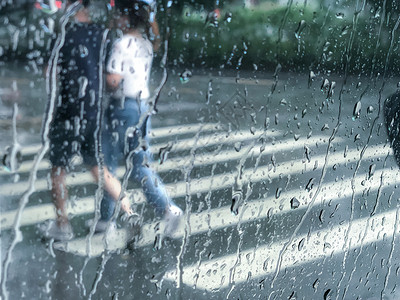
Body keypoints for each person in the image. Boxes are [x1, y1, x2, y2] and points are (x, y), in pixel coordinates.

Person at [43, 0, 132, 241]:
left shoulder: (63, 33)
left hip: (67, 109)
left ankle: (63, 225)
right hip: (93, 109)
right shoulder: (103, 34)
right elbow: (108, 73)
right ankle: (129, 212)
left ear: (72, 6)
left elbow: (48, 72)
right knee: (97, 167)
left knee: (58, 168)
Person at [99, 0, 183, 237]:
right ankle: (167, 209)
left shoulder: (121, 44)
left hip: (121, 108)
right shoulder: (145, 43)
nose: (114, 19)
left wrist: (101, 79)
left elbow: (113, 80)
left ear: (126, 19)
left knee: (107, 165)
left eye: (118, 15)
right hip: (142, 107)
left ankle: (107, 220)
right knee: (140, 165)